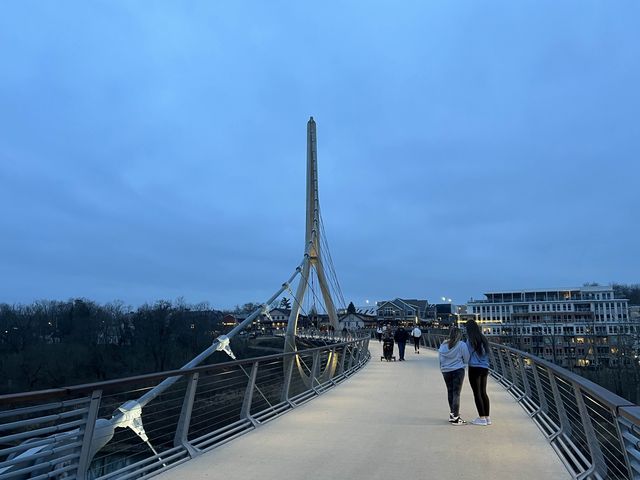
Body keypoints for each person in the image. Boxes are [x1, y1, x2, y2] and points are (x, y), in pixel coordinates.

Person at [438, 327, 470, 425]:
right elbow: (467, 358)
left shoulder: (443, 345)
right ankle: (456, 417)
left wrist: (443, 368)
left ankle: (452, 414)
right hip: (457, 370)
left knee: (450, 391)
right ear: (459, 335)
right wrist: (462, 364)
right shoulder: (462, 345)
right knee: (456, 393)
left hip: (446, 371)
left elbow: (441, 359)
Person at [465, 319, 491, 426]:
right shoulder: (483, 338)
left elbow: (467, 354)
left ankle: (481, 418)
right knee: (483, 392)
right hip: (484, 368)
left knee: (477, 393)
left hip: (474, 368)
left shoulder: (470, 340)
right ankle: (487, 417)